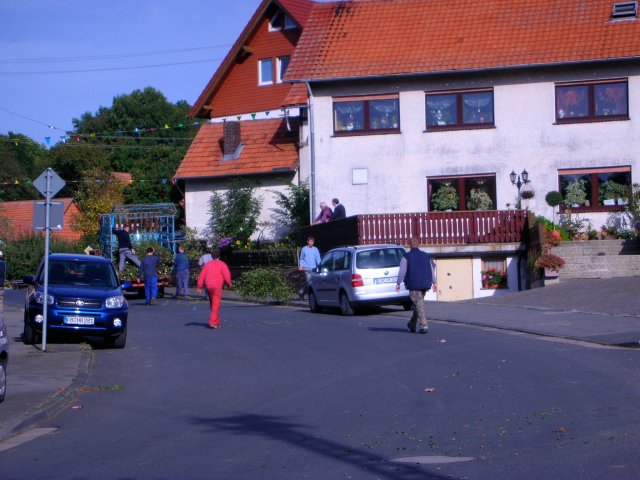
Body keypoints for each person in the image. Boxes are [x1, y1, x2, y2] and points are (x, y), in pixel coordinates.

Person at [395, 237, 437, 334]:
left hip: (413, 284)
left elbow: (402, 271)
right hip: (425, 284)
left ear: (409, 245)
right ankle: (412, 324)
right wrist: (434, 282)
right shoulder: (426, 255)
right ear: (418, 245)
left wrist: (398, 283)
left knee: (419, 306)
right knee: (418, 304)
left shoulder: (407, 256)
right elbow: (431, 269)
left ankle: (424, 325)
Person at [197, 247, 232, 329]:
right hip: (217, 286)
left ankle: (217, 322)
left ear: (212, 256)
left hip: (209, 286)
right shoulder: (222, 264)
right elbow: (227, 276)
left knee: (213, 304)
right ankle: (212, 322)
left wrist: (199, 286)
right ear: (219, 256)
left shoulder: (207, 265)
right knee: (216, 305)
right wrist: (228, 284)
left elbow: (202, 275)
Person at [298, 236, 321, 300]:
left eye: (312, 241)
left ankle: (301, 292)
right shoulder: (304, 249)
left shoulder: (315, 249)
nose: (311, 243)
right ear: (307, 242)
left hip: (314, 269)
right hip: (306, 268)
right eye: (310, 241)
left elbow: (318, 259)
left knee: (313, 282)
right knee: (309, 282)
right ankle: (312, 297)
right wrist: (301, 266)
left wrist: (320, 265)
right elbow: (301, 258)